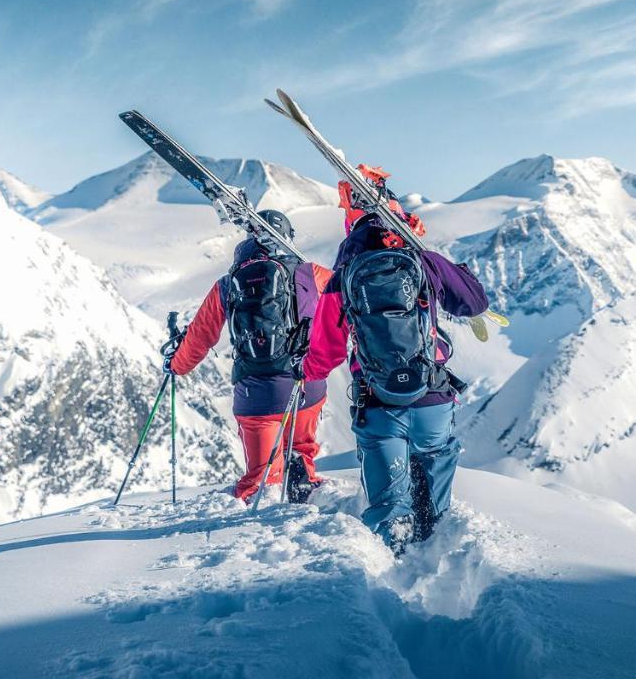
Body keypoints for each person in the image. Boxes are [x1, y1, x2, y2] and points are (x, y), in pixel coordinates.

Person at [301, 167, 488, 553]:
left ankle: (390, 579)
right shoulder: (424, 262)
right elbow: (474, 302)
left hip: (379, 405)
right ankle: (437, 561)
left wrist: (308, 373)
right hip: (432, 401)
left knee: (389, 509)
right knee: (433, 508)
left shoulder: (344, 276)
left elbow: (325, 351)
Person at [166, 210, 332, 503]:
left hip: (258, 395)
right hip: (308, 386)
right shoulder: (313, 274)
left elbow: (199, 338)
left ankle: (263, 529)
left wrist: (176, 366)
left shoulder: (229, 284)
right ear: (288, 238)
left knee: (261, 480)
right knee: (302, 449)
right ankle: (305, 493)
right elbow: (351, 307)